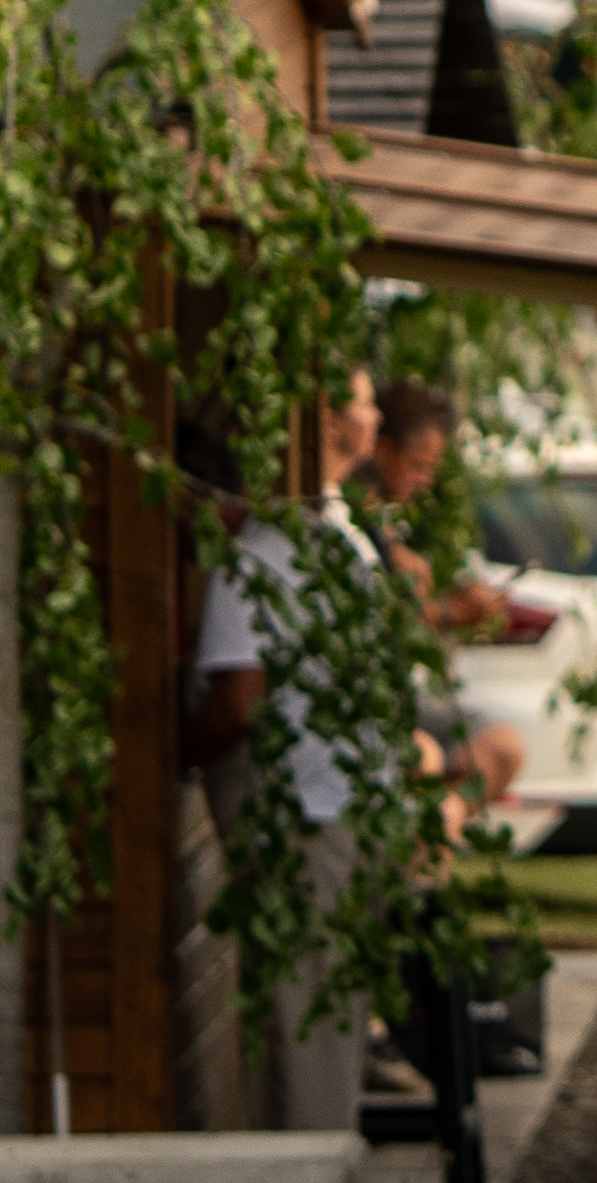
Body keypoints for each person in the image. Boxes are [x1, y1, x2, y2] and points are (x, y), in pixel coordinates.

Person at [185, 367, 439, 1130]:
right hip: (335, 812)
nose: (373, 412)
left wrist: (174, 751)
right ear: (324, 419)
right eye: (361, 398)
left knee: (306, 1039)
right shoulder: (308, 543)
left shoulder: (286, 546)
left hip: (310, 819)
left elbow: (239, 702)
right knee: (320, 1033)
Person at [364, 375, 529, 813]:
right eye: (419, 465)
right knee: (427, 757)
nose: (424, 481)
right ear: (383, 451)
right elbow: (378, 625)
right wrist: (446, 612)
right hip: (369, 710)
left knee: (501, 747)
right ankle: (431, 840)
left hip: (401, 700)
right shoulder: (349, 525)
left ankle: (446, 821)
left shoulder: (384, 529)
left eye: (432, 469)